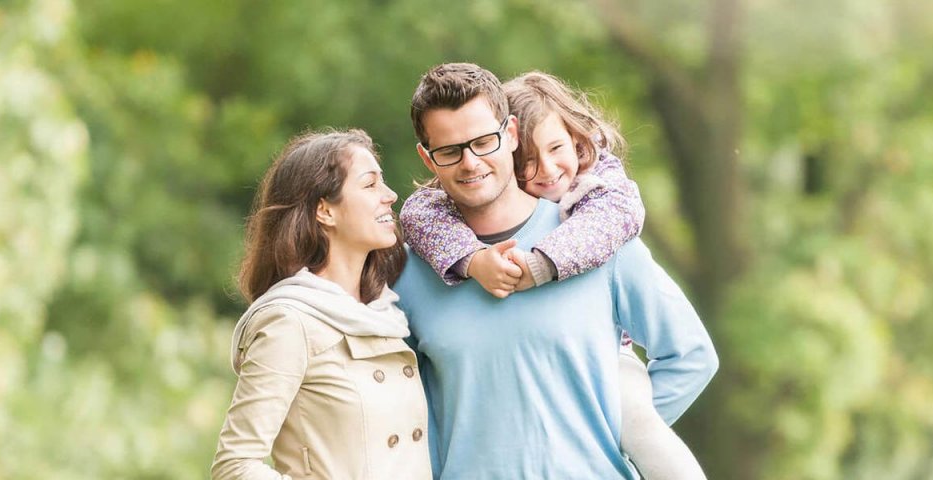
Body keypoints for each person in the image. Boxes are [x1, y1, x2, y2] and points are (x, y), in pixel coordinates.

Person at [393, 62, 718, 479]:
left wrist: (616, 435)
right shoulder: (409, 272)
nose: (470, 163)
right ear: (427, 156)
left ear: (510, 134)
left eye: (483, 142)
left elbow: (690, 356)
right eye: (450, 151)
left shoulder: (596, 240)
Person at [211, 129, 432, 480]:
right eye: (370, 184)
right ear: (325, 210)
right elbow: (235, 466)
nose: (390, 195)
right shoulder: (289, 319)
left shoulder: (385, 312)